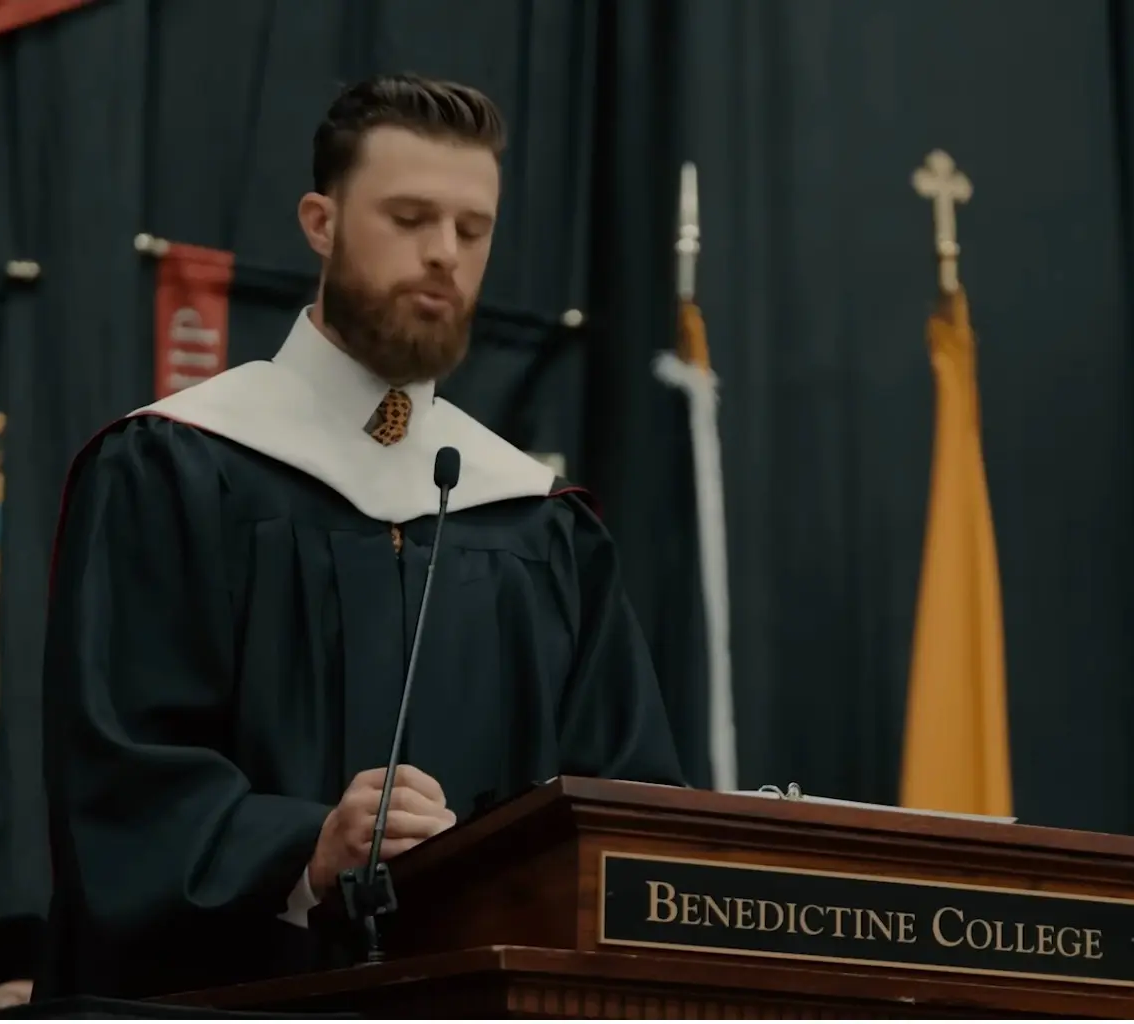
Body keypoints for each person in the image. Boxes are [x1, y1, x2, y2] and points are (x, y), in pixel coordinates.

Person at [38, 73, 686, 1001]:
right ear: (321, 222)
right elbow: (121, 781)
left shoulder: (533, 518)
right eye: (410, 218)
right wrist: (304, 852)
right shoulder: (176, 466)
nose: (445, 256)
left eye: (472, 229)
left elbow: (622, 815)